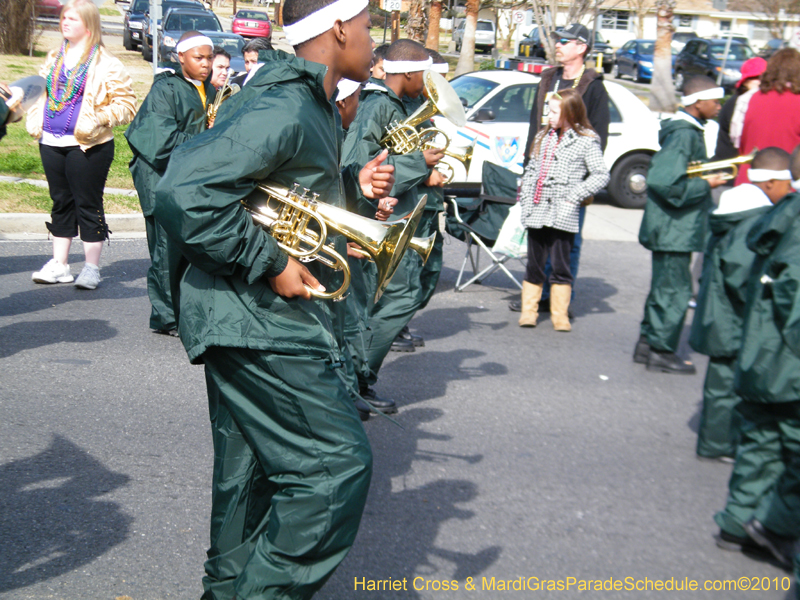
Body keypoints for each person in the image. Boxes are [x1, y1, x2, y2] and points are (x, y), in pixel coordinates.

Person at [152, 0, 397, 595]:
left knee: (250, 482)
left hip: (246, 318)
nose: (374, 43)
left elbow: (278, 194)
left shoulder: (311, 102)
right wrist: (271, 261)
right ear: (338, 29)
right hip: (259, 320)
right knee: (335, 472)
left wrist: (353, 192)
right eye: (368, 28)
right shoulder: (286, 103)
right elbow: (184, 191)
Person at [342, 38, 444, 408]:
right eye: (426, 76)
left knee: (394, 296)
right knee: (398, 297)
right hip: (384, 219)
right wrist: (421, 164)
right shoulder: (377, 105)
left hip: (402, 214)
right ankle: (356, 379)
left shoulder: (401, 106)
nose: (428, 85)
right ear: (411, 73)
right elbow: (357, 165)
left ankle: (357, 380)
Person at [713, 145, 800, 565]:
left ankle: (737, 523)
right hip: (787, 360)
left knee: (761, 442)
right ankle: (776, 525)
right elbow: (793, 294)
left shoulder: (780, 214)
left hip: (763, 353)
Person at [689, 147, 791, 464]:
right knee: (725, 382)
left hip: (720, 311)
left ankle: (719, 439)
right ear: (770, 183)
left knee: (722, 380)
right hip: (730, 316)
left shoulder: (737, 209)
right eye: (787, 183)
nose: (790, 190)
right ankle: (718, 443)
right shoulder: (751, 220)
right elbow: (742, 274)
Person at [26, 0, 135, 290]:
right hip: (51, 140)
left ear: (89, 25)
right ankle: (60, 265)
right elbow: (41, 92)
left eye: (73, 19)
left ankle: (91, 268)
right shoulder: (54, 57)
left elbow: (127, 104)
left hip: (88, 145)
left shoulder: (106, 62)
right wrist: (33, 114)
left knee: (87, 203)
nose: (65, 22)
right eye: (64, 17)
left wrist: (97, 119)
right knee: (60, 201)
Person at [509, 22, 609, 315]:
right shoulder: (548, 79)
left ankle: (560, 301)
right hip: (541, 174)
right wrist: (528, 167)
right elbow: (534, 126)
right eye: (558, 40)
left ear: (582, 48)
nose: (559, 45)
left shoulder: (593, 87)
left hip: (571, 179)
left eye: (566, 41)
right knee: (539, 240)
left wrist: (583, 183)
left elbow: (597, 136)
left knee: (567, 243)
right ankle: (537, 297)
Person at [632, 75, 727, 373]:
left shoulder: (686, 131)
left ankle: (647, 344)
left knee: (664, 288)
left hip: (672, 229)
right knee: (675, 291)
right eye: (715, 101)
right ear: (698, 103)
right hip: (674, 229)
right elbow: (663, 182)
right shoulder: (684, 135)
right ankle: (661, 351)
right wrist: (706, 183)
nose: (719, 106)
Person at [125, 32, 215, 336]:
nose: (205, 64)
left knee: (189, 251)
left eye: (209, 58)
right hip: (160, 180)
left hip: (189, 181)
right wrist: (209, 138)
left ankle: (188, 312)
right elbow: (161, 142)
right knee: (166, 251)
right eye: (198, 58)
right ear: (181, 57)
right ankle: (167, 318)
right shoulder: (164, 89)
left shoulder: (210, 90)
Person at [517, 88, 608, 331]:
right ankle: (528, 312)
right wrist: (526, 201)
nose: (549, 116)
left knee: (561, 265)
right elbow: (531, 171)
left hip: (563, 212)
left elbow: (601, 175)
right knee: (534, 264)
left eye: (555, 112)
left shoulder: (586, 139)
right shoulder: (542, 136)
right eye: (549, 110)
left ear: (570, 112)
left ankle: (560, 315)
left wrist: (574, 196)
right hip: (537, 209)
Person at [736, 48, 800, 185]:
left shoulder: (753, 97)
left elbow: (741, 142)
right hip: (785, 184)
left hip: (750, 180)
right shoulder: (797, 101)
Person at [712, 57, 767, 162]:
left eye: (763, 78)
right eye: (756, 77)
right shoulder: (735, 104)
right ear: (745, 82)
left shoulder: (760, 101)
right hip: (730, 161)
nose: (760, 82)